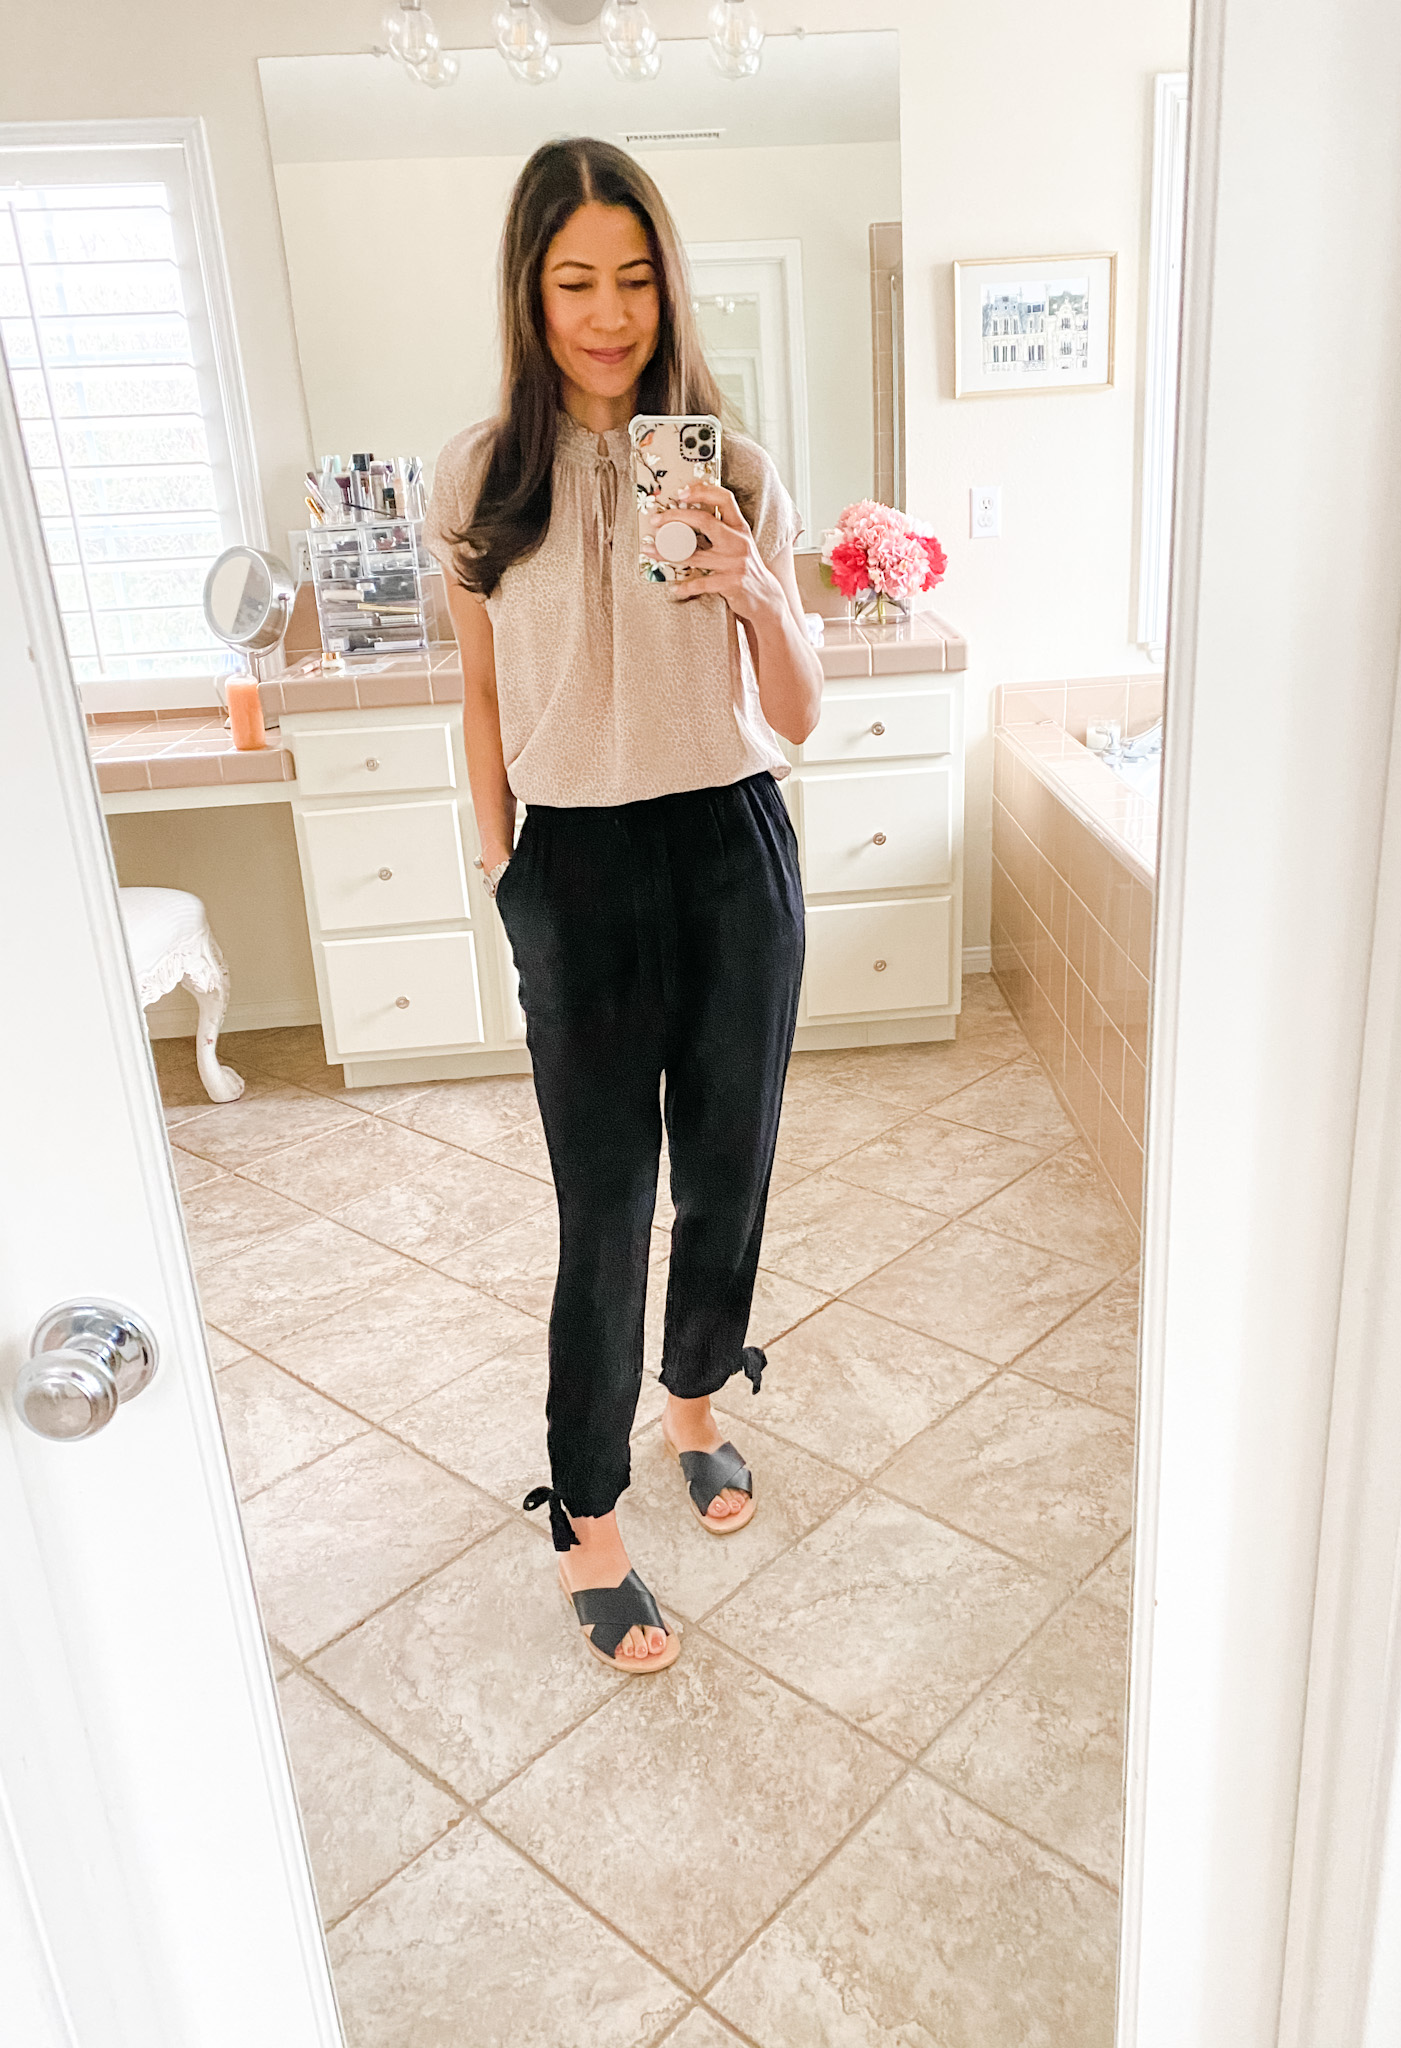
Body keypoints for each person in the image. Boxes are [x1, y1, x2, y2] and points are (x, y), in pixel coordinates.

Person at [425, 138, 822, 1676]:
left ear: (670, 287)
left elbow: (797, 713)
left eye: (635, 279)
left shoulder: (735, 467)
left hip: (731, 846)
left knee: (729, 1170)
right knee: (603, 1207)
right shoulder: (480, 476)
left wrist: (759, 590)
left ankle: (697, 1403)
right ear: (531, 293)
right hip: (574, 873)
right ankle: (586, 1510)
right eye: (575, 281)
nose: (608, 314)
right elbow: (477, 692)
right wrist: (502, 861)